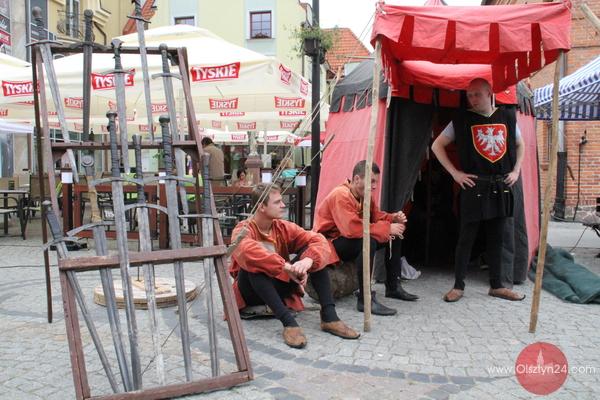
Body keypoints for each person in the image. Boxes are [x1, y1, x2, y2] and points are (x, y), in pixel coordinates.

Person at [229, 183, 360, 349]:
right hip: (252, 291)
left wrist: (308, 261)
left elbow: (318, 239)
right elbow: (247, 251)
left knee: (312, 252)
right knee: (254, 265)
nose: (283, 205)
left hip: (279, 286)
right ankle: (288, 323)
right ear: (262, 207)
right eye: (277, 202)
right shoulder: (243, 229)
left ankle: (329, 316)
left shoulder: (282, 227)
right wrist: (285, 267)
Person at [431, 78, 526, 303]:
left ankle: (497, 285)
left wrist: (516, 171)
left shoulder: (507, 117)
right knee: (466, 238)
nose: (472, 99)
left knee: (497, 238)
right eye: (470, 95)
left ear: (489, 93)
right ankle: (458, 286)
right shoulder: (461, 120)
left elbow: (520, 144)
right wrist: (455, 173)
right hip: (474, 185)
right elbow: (436, 145)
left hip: (501, 185)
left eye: (477, 94)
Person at [314, 160, 419, 317]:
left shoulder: (365, 194)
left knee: (394, 235)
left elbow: (376, 216)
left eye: (376, 182)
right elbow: (351, 229)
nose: (375, 186)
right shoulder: (340, 195)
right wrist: (387, 227)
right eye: (372, 181)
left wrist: (393, 218)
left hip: (348, 238)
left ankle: (393, 287)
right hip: (330, 244)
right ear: (357, 179)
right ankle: (364, 299)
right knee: (368, 241)